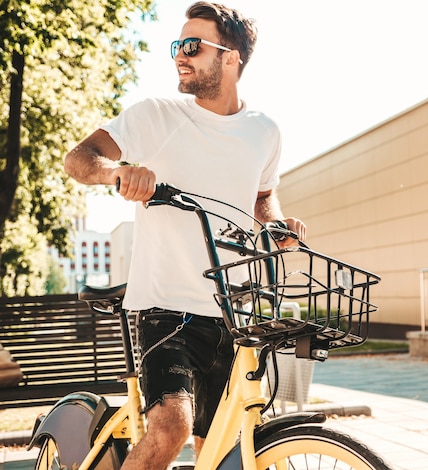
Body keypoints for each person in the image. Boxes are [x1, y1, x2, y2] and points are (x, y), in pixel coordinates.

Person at [64, 2, 306, 469]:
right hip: (166, 307)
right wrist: (118, 173)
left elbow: (262, 200)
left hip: (236, 311)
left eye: (192, 46)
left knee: (221, 445)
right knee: (172, 427)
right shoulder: (154, 114)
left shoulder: (265, 131)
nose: (179, 55)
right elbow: (80, 158)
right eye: (177, 45)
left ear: (230, 56)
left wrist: (277, 225)